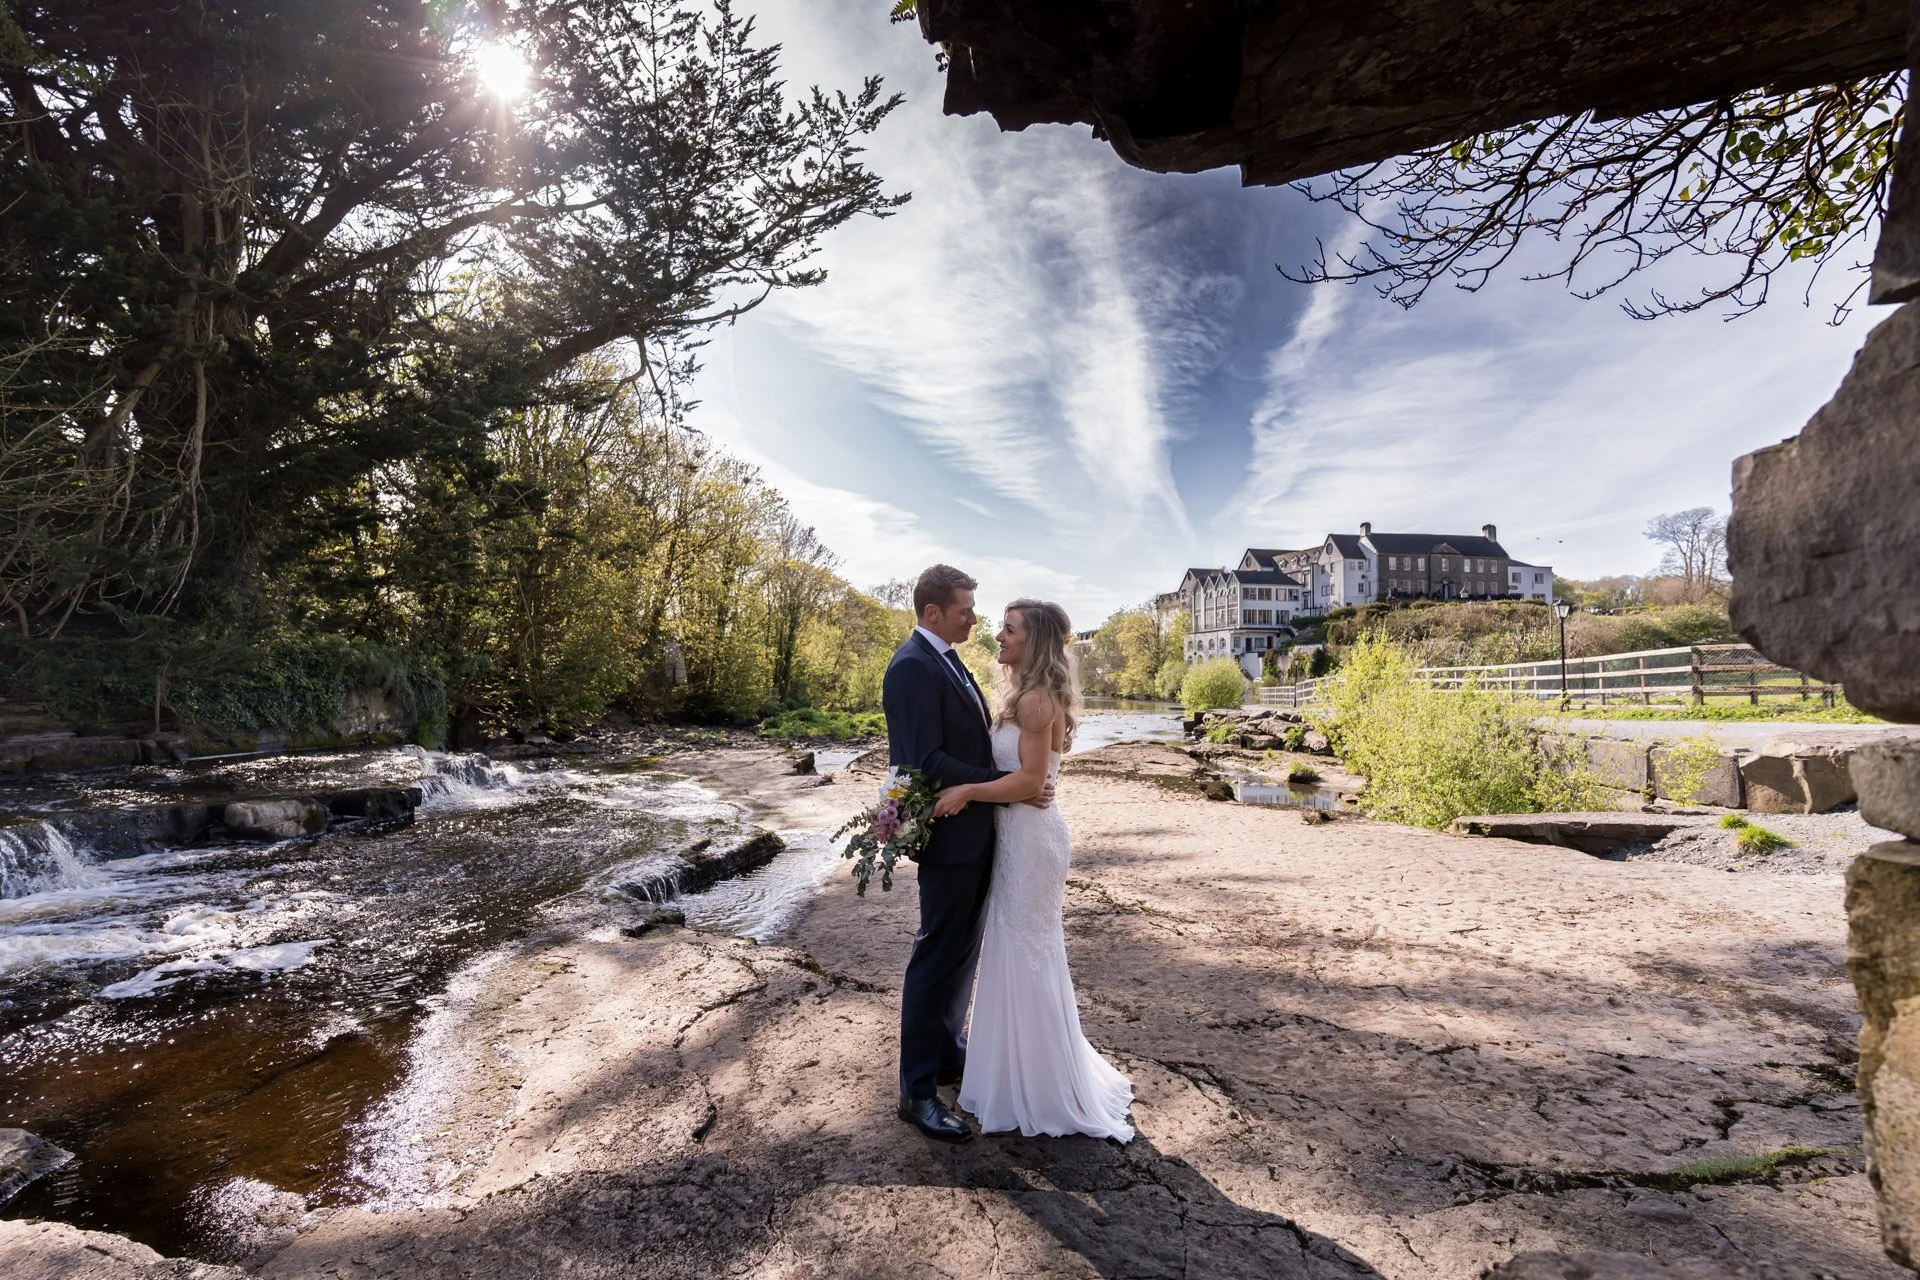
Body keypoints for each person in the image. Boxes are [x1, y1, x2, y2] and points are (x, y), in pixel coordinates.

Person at [933, 598, 1134, 1141]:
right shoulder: (1025, 695)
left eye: (1009, 629)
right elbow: (1027, 776)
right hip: (1016, 837)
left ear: (1035, 641)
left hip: (1031, 842)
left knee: (1027, 952)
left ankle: (1041, 1085)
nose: (998, 635)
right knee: (1012, 948)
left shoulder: (1037, 701)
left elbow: (1028, 782)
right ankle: (1011, 1073)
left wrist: (968, 791)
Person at [882, 564, 1054, 1141]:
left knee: (961, 954)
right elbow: (922, 761)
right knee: (935, 956)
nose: (975, 620)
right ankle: (917, 1091)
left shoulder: (948, 659)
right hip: (953, 837)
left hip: (983, 833)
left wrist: (1012, 785)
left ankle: (948, 1051)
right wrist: (1002, 781)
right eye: (964, 610)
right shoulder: (911, 668)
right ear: (933, 613)